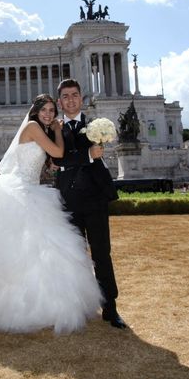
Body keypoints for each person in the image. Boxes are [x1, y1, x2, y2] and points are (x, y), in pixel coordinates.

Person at [0, 94, 101, 334]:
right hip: (21, 191)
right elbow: (57, 151)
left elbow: (48, 160)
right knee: (24, 249)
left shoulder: (37, 130)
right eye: (44, 109)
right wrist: (57, 130)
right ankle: (17, 305)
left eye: (51, 110)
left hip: (32, 190)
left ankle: (43, 302)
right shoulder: (34, 127)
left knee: (36, 249)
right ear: (35, 111)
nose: (48, 114)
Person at [53, 78, 127, 329]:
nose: (71, 100)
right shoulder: (55, 128)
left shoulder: (95, 125)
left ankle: (110, 307)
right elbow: (59, 159)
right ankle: (78, 304)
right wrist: (85, 156)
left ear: (81, 98)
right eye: (65, 96)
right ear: (60, 101)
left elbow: (70, 160)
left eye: (75, 95)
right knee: (73, 256)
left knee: (102, 253)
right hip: (69, 200)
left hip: (95, 198)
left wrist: (76, 158)